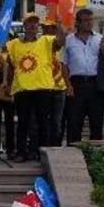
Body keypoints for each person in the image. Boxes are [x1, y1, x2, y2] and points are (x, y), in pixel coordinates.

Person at [4, 12, 65, 162]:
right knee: (23, 123)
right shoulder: (14, 45)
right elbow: (10, 66)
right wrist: (6, 83)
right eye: (29, 23)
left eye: (35, 23)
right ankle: (21, 152)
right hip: (22, 89)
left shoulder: (46, 40)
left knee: (43, 122)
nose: (32, 26)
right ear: (24, 25)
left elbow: (61, 42)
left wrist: (59, 26)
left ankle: (42, 152)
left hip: (42, 88)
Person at [63, 9, 104, 143]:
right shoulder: (69, 40)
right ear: (78, 22)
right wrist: (68, 85)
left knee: (96, 120)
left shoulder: (100, 39)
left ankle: (96, 152)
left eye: (91, 20)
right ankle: (73, 149)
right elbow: (64, 64)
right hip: (77, 83)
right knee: (74, 120)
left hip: (95, 84)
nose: (89, 23)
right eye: (86, 20)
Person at [42, 16, 69, 146]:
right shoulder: (40, 43)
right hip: (45, 88)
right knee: (43, 120)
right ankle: (43, 146)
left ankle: (56, 145)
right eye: (45, 27)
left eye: (51, 27)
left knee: (57, 121)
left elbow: (61, 41)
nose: (48, 30)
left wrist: (60, 26)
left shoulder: (62, 45)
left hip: (60, 89)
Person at [0, 42, 15, 159]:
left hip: (8, 92)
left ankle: (10, 149)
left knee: (10, 123)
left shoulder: (11, 54)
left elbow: (12, 69)